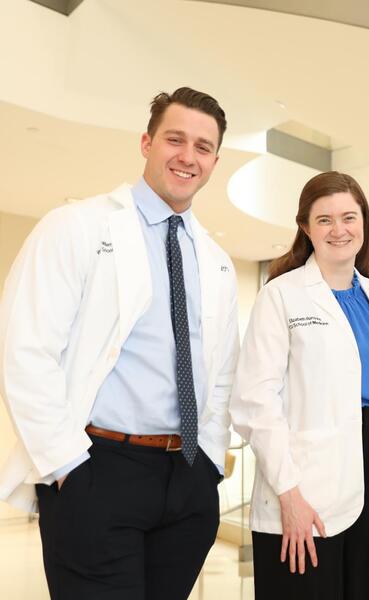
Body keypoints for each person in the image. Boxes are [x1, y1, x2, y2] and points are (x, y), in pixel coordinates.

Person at [0, 87, 238, 599]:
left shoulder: (215, 259)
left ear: (215, 161)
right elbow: (24, 350)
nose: (187, 156)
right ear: (147, 142)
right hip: (98, 467)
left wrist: (210, 464)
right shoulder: (76, 226)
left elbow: (219, 374)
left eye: (203, 146)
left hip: (187, 477)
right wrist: (67, 467)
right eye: (175, 139)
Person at [230, 171, 369, 600]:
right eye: (324, 220)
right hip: (302, 482)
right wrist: (289, 493)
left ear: (364, 222)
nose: (339, 229)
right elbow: (254, 402)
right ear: (306, 228)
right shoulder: (281, 295)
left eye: (349, 216)